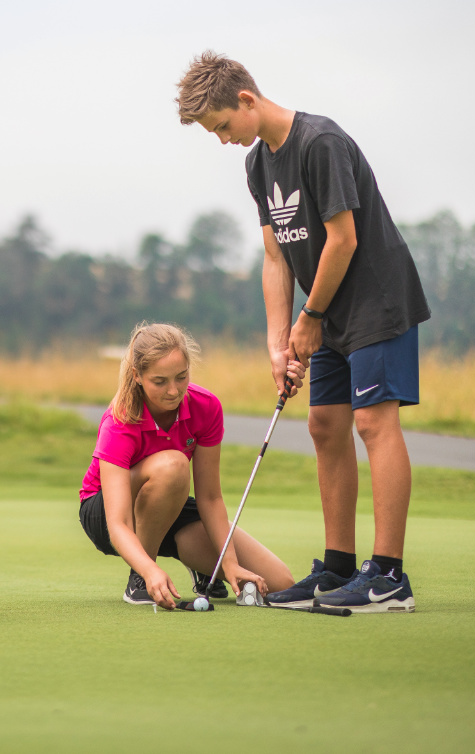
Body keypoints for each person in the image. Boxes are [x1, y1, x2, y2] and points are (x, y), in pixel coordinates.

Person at [175, 52, 431, 614]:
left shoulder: (320, 143)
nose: (222, 140)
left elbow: (344, 239)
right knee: (323, 424)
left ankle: (388, 577)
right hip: (327, 309)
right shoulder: (257, 166)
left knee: (373, 422)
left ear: (246, 99)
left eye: (221, 126)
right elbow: (275, 257)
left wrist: (308, 320)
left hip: (375, 299)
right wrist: (279, 342)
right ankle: (338, 568)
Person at [79, 321, 300, 609]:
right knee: (174, 465)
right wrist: (148, 570)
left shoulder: (206, 407)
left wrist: (229, 563)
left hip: (172, 504)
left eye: (181, 377)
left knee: (278, 582)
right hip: (106, 513)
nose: (173, 391)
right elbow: (118, 523)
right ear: (137, 376)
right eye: (160, 381)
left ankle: (200, 565)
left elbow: (209, 497)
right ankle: (139, 580)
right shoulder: (119, 421)